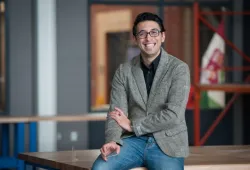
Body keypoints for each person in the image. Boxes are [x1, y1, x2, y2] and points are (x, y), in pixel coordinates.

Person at [92, 12, 190, 170]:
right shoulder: (124, 71)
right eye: (142, 33)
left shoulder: (178, 69)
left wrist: (132, 125)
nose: (148, 38)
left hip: (167, 143)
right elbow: (116, 113)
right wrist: (112, 140)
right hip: (133, 142)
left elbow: (173, 115)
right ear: (135, 38)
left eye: (154, 32)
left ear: (162, 36)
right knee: (100, 168)